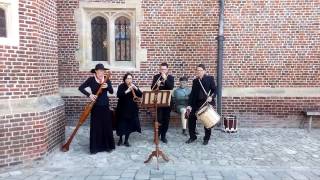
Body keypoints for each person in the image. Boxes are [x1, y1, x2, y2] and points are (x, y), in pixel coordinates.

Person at [78, 63, 115, 154]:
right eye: (99, 71)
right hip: (95, 107)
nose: (101, 73)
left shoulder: (106, 79)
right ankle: (95, 148)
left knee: (106, 126)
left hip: (105, 106)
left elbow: (111, 91)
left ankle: (107, 147)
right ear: (95, 71)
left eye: (102, 71)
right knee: (96, 127)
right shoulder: (91, 80)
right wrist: (89, 95)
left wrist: (107, 86)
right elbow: (81, 88)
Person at [185, 64, 217, 145]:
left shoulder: (210, 79)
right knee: (191, 119)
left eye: (200, 70)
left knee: (207, 121)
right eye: (197, 70)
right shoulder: (195, 81)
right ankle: (192, 137)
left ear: (204, 71)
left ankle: (206, 138)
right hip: (196, 104)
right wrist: (189, 105)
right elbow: (192, 94)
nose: (199, 72)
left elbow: (215, 90)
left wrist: (211, 97)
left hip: (206, 103)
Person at [116, 73, 142, 147]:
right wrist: (127, 90)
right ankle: (120, 139)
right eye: (128, 78)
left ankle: (126, 140)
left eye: (130, 78)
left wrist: (135, 88)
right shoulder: (121, 86)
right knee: (121, 125)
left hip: (132, 109)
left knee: (129, 125)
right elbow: (118, 95)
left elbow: (140, 94)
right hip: (122, 108)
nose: (129, 80)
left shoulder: (134, 85)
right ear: (125, 79)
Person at [151, 62, 174, 143]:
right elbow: (152, 88)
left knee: (166, 120)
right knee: (159, 119)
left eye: (164, 69)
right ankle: (158, 135)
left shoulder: (170, 77)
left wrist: (166, 79)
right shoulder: (156, 77)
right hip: (159, 102)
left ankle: (163, 136)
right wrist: (157, 84)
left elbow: (171, 87)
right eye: (161, 69)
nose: (162, 71)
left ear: (167, 70)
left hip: (168, 102)